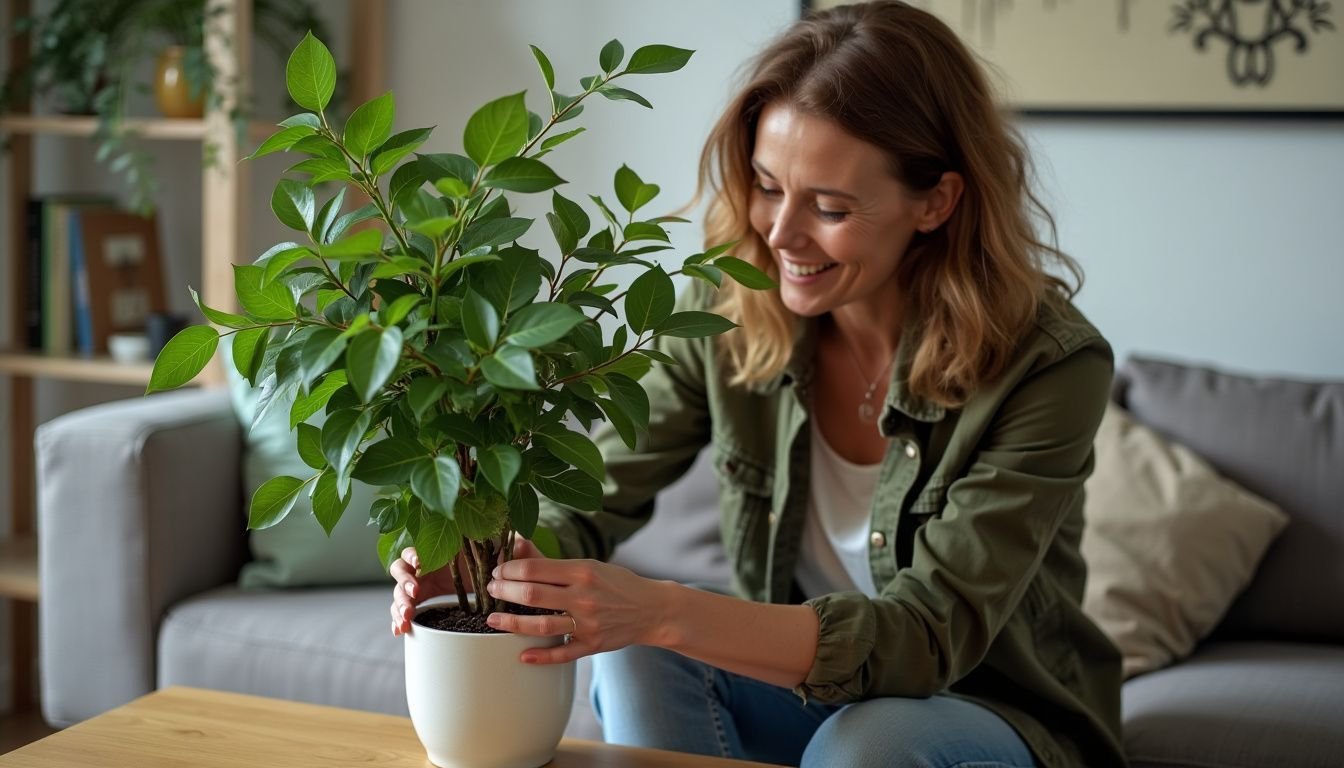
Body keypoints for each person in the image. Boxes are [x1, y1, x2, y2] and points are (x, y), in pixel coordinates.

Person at [390, 2, 1126, 766]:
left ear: (936, 201)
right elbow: (591, 497)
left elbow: (926, 635)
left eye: (831, 207)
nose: (779, 235)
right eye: (768, 186)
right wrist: (475, 554)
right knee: (636, 655)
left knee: (867, 742)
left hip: (991, 713)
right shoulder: (726, 314)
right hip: (811, 696)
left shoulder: (1050, 364)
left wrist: (665, 608)